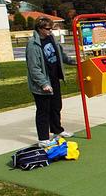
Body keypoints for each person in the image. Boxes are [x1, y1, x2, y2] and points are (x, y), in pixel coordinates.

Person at [26, 17, 74, 147]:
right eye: (47, 29)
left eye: (51, 28)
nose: (50, 31)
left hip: (54, 78)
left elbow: (60, 54)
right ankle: (43, 139)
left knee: (56, 107)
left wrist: (73, 61)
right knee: (43, 111)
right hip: (41, 83)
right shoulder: (33, 44)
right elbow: (33, 68)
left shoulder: (51, 38)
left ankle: (57, 131)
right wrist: (43, 83)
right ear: (39, 28)